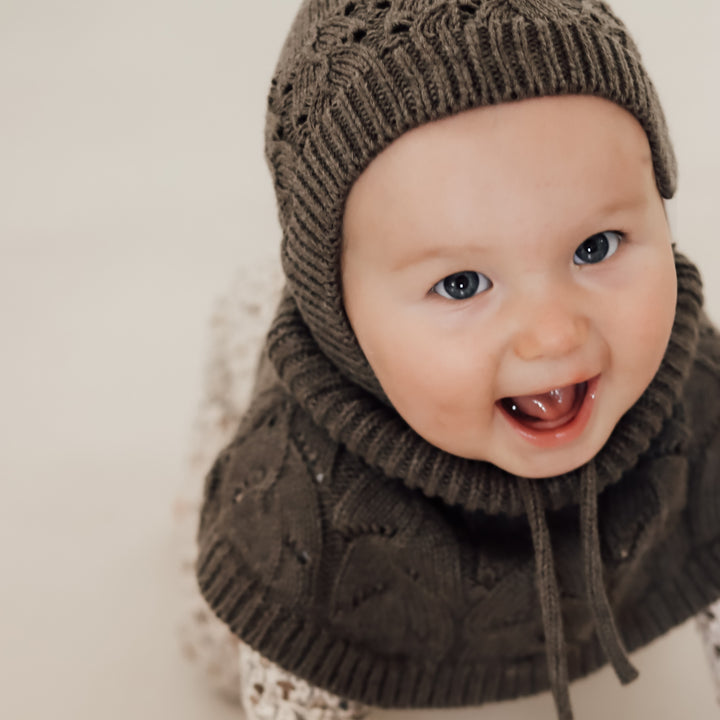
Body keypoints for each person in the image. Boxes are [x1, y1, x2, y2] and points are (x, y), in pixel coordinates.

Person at [180, 1, 720, 719]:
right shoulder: (304, 490)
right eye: (461, 284)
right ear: (335, 313)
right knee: (211, 637)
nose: (554, 335)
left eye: (596, 247)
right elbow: (282, 651)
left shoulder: (695, 387)